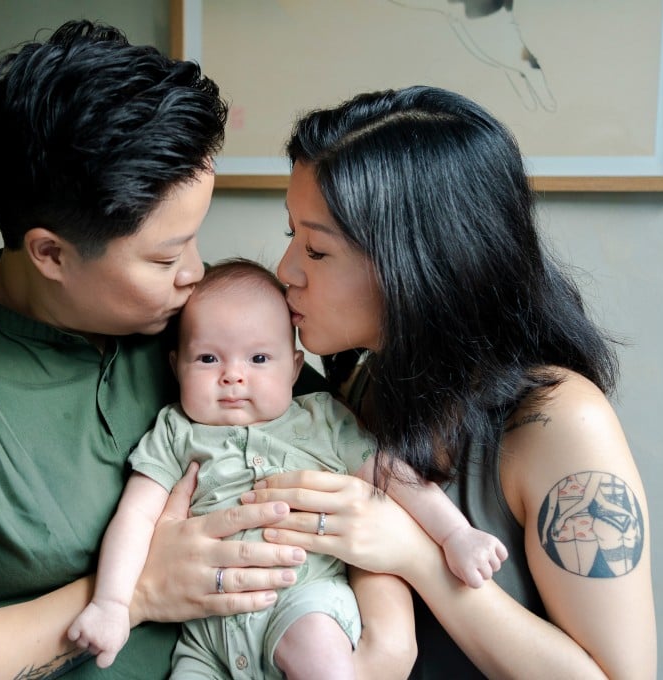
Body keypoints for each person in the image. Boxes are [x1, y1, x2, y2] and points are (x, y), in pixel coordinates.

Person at [0, 20, 317, 679]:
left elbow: (356, 451)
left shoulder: (206, 326)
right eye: (165, 256)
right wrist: (135, 590)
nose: (195, 271)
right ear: (51, 253)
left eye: (195, 238)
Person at [242, 86, 657, 678]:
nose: (286, 271)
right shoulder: (361, 388)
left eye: (316, 249)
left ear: (418, 261)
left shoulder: (560, 420)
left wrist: (417, 555)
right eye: (291, 237)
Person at [68, 258, 506, 678]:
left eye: (258, 359)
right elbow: (135, 516)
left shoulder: (323, 419)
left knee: (319, 653)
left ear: (294, 369)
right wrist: (111, 603)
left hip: (303, 599)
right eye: (207, 359)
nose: (232, 376)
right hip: (208, 636)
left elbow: (391, 475)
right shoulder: (174, 432)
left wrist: (455, 534)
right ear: (176, 366)